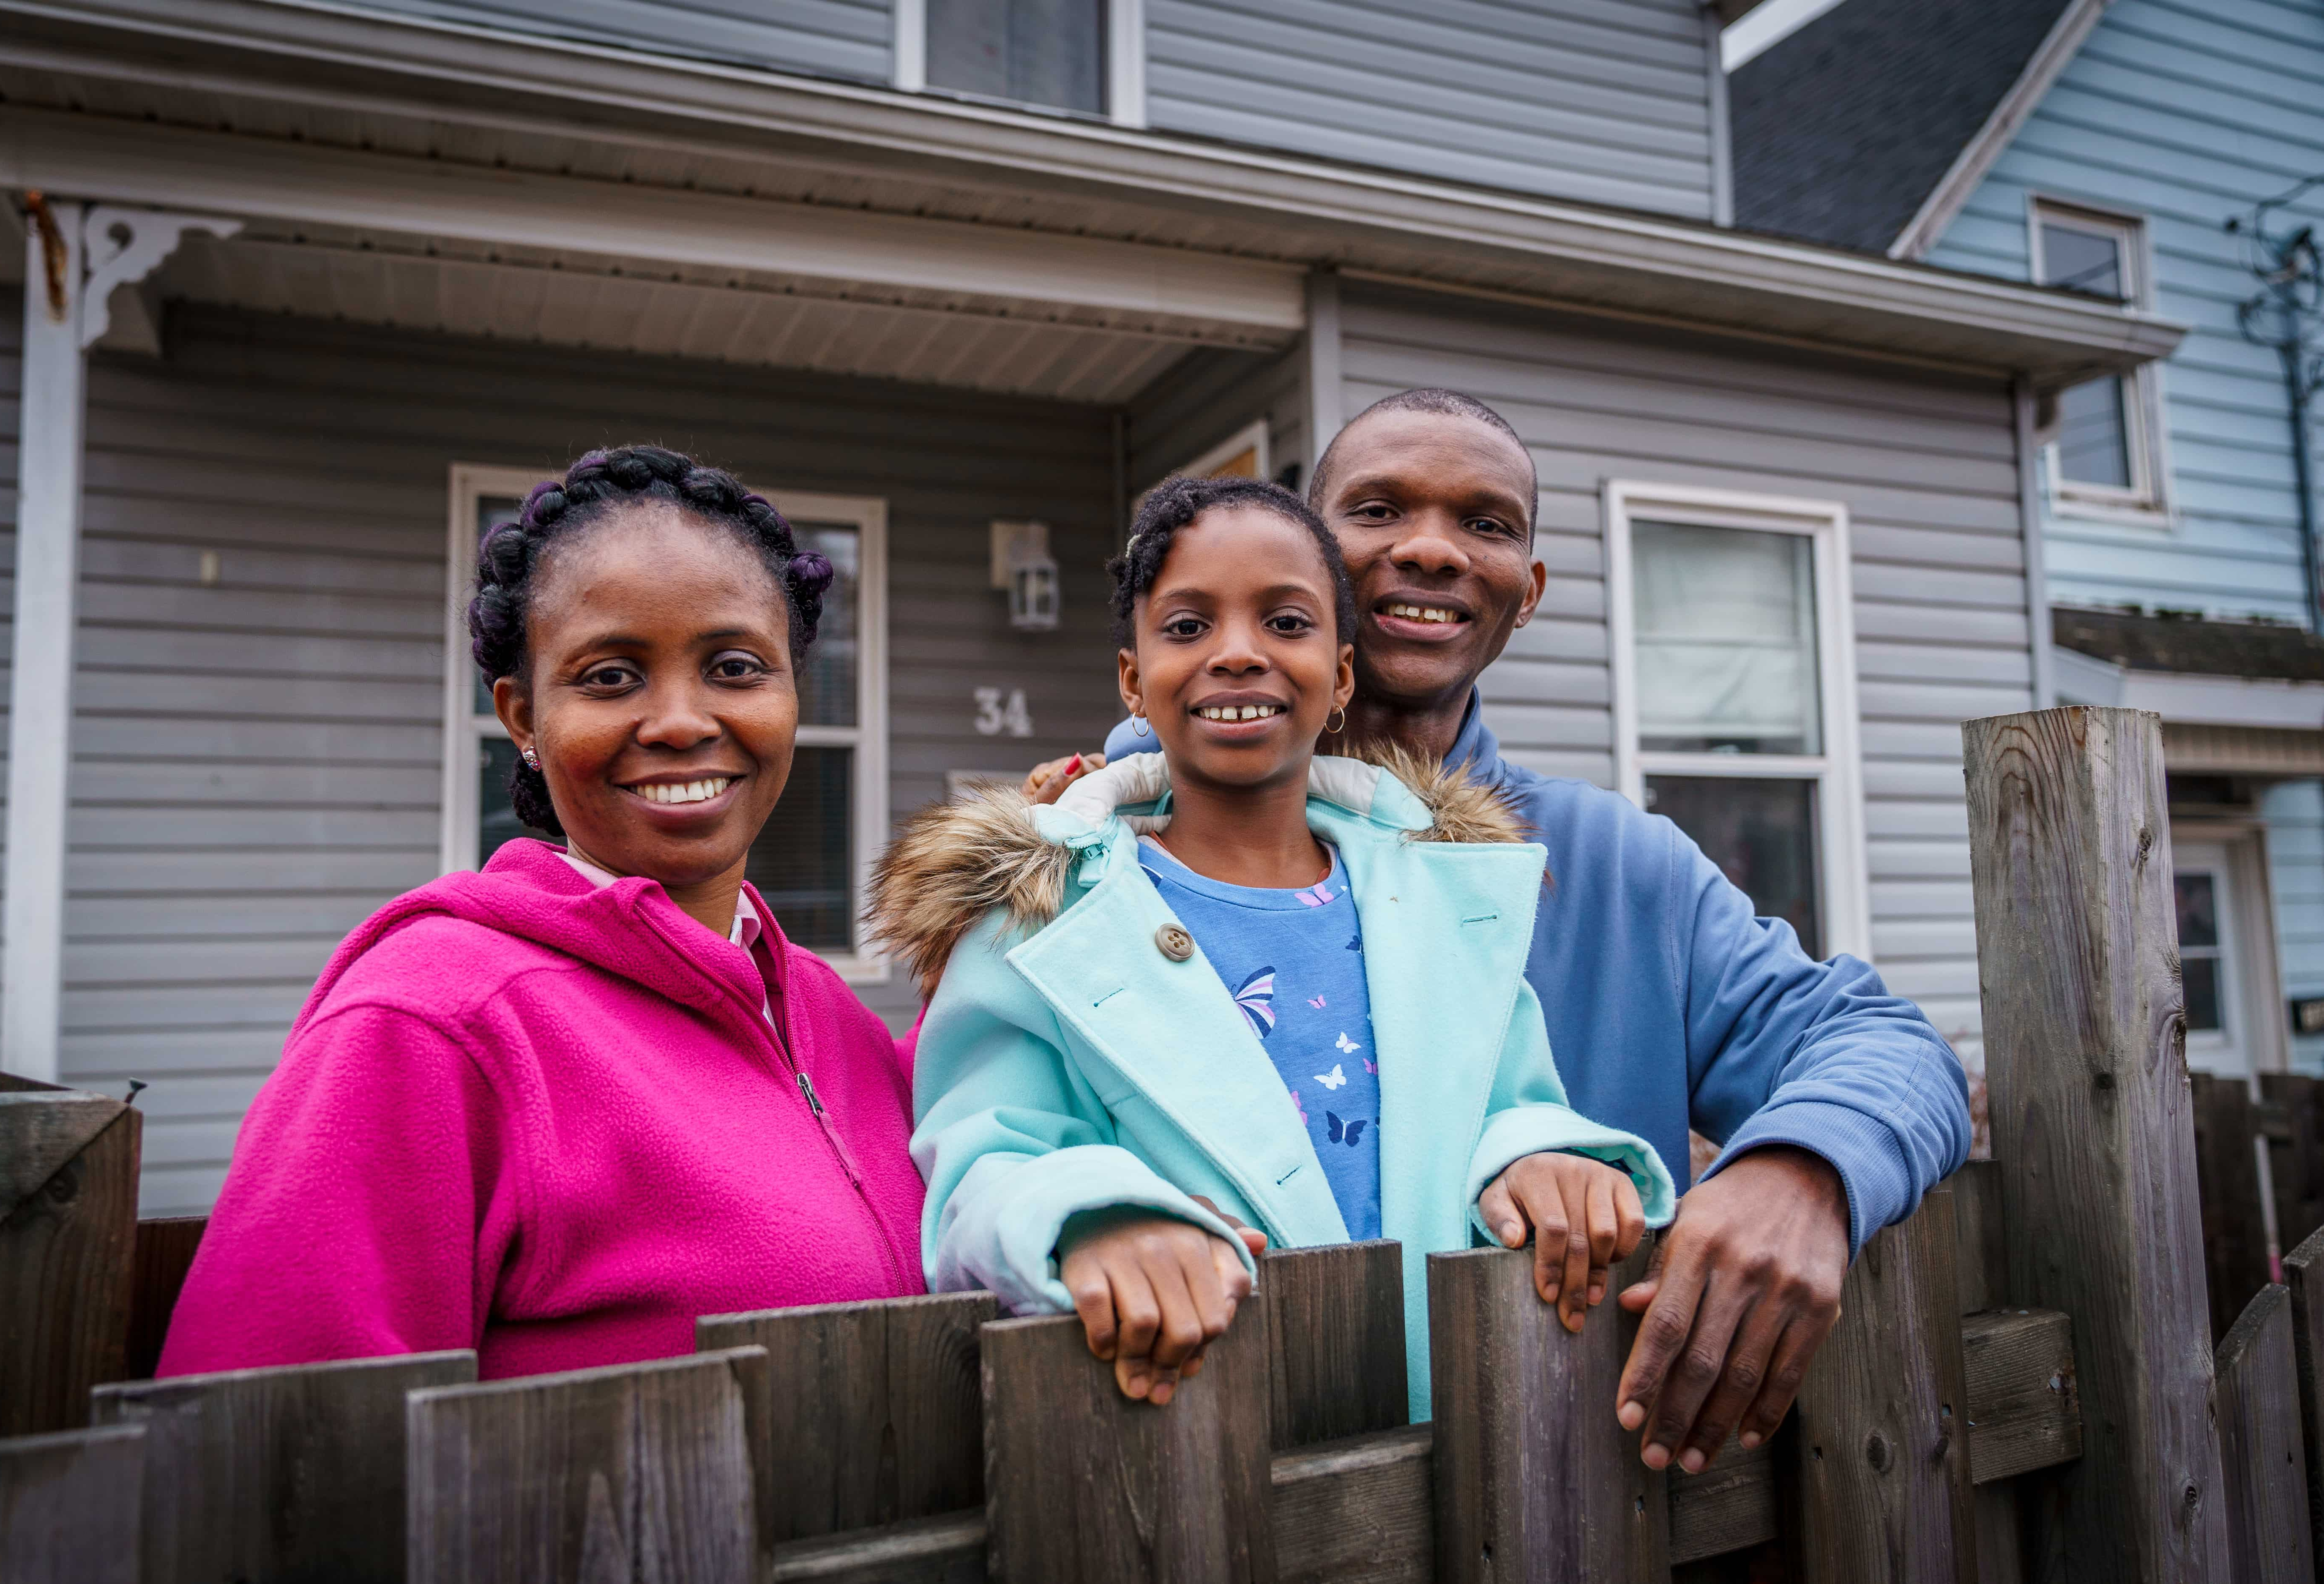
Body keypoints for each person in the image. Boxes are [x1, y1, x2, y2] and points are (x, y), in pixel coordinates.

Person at [1027, 391, 1974, 1475]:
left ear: (1527, 593)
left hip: (1561, 1490)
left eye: (1486, 523)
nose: (1432, 548)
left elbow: (1888, 1045)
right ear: (1306, 562)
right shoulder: (1087, 852)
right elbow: (992, 1134)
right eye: (1379, 509)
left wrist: (1803, 1172)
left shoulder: (1618, 866)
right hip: (1194, 1484)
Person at [876, 475, 1674, 1420]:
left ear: (1341, 674)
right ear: (1134, 678)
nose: (1239, 653)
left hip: (1465, 1443)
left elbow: (1507, 1102)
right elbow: (988, 1152)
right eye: (1187, 627)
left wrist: (1538, 1155)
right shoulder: (1040, 917)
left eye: (1287, 623)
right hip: (1191, 1442)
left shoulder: (1448, 898)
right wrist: (1095, 1213)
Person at [159, 445, 927, 1380]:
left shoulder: (824, 1013)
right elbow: (268, 1454)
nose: (682, 719)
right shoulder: (430, 1022)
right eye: (610, 676)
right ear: (522, 717)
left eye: (735, 666)